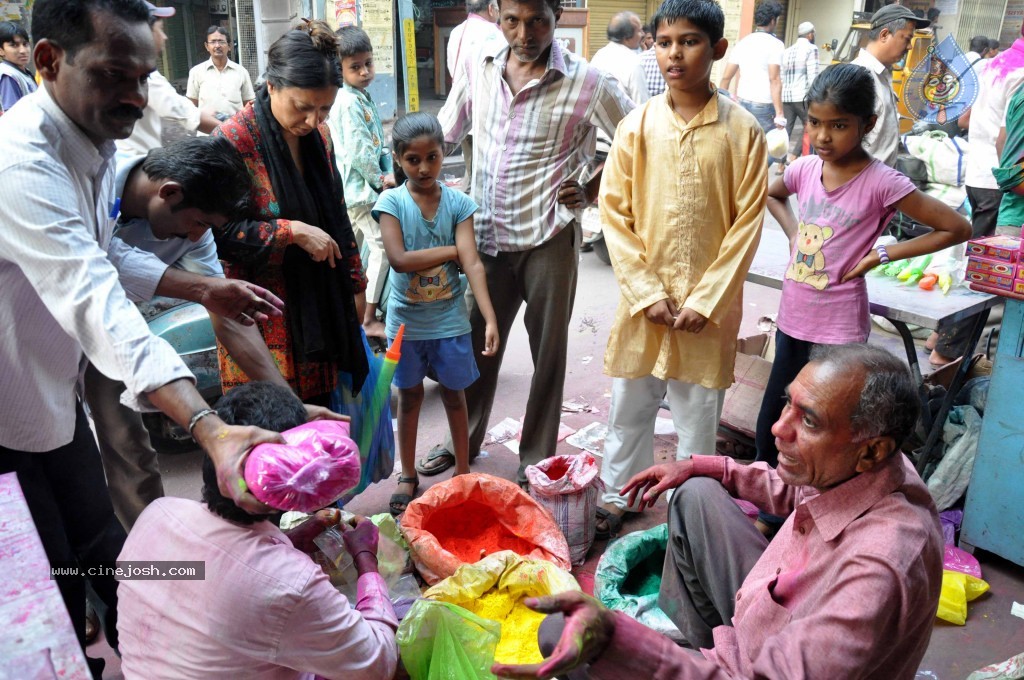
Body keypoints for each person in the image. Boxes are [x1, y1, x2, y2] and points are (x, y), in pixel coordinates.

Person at [0, 0, 284, 674]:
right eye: (114, 76)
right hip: (7, 406)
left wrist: (201, 288)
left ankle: (150, 651)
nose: (134, 96)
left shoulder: (100, 147)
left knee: (99, 539)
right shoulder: (22, 163)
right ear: (48, 61)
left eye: (144, 78)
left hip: (49, 396)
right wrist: (210, 428)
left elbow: (106, 258)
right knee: (47, 585)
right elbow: (92, 295)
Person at [494, 343, 944, 680]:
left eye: (809, 421)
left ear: (872, 451)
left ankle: (703, 661)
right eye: (788, 403)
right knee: (696, 493)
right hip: (768, 618)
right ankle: (703, 649)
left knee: (564, 637)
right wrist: (699, 465)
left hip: (765, 665)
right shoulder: (869, 465)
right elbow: (794, 494)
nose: (776, 428)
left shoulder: (878, 570)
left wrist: (619, 642)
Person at [752, 64, 970, 534]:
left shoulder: (882, 182)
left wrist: (883, 254)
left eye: (838, 125)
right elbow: (773, 195)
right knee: (773, 421)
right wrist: (794, 236)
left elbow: (957, 227)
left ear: (867, 124)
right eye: (814, 122)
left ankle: (818, 519)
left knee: (827, 435)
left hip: (838, 334)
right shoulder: (805, 168)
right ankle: (772, 513)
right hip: (793, 321)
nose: (823, 136)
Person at [87, 136, 343, 530]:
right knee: (59, 464)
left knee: (129, 450)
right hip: (37, 329)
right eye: (198, 223)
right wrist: (201, 288)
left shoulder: (196, 227)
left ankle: (152, 563)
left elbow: (227, 317)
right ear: (168, 193)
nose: (195, 237)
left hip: (115, 325)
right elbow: (97, 262)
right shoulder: (91, 180)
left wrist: (290, 406)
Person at [426, 0, 633, 485]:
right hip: (486, 237)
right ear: (497, 13)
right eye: (513, 21)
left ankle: (535, 457)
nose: (525, 34)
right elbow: (446, 133)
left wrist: (592, 187)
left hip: (549, 237)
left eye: (537, 20)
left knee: (549, 353)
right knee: (474, 343)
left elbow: (634, 138)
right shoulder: (481, 68)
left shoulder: (588, 81)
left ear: (557, 13)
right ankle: (464, 438)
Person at [593, 0, 767, 540]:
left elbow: (747, 225)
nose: (675, 53)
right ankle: (619, 495)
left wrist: (705, 300)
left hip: (704, 313)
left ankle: (693, 515)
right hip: (644, 305)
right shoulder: (636, 127)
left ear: (716, 50)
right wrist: (646, 292)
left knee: (698, 418)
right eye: (665, 42)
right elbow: (614, 214)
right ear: (653, 47)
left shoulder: (743, 132)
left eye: (689, 41)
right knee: (629, 409)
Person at [117, 381, 399, 679]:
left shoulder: (156, 516)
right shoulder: (290, 583)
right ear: (288, 475)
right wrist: (366, 559)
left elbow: (211, 576)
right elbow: (377, 663)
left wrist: (286, 542)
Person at [213, 20, 370, 405]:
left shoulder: (321, 137)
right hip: (263, 318)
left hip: (320, 302)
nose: (313, 122)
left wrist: (355, 281)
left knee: (324, 432)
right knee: (274, 432)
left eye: (325, 109)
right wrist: (291, 231)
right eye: (302, 108)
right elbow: (220, 233)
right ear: (271, 86)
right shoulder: (233, 141)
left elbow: (337, 214)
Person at [373, 113, 499, 514]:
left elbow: (474, 263)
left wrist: (490, 317)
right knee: (408, 399)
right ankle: (407, 473)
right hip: (405, 324)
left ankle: (461, 470)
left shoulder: (459, 204)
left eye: (432, 157)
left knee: (455, 397)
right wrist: (451, 252)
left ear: (444, 153)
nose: (424, 168)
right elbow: (399, 260)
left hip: (449, 322)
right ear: (397, 158)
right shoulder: (390, 202)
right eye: (413, 159)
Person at [931, 26, 1024, 364]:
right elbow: (1006, 142)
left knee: (974, 262)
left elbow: (966, 118)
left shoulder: (994, 63)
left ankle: (938, 336)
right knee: (984, 273)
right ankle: (946, 351)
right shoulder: (1021, 75)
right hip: (998, 180)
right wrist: (1012, 181)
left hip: (976, 171)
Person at [328, 26, 396, 343]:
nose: (365, 71)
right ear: (339, 68)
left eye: (368, 63)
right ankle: (368, 317)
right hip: (361, 191)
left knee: (352, 250)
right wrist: (381, 180)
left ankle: (348, 308)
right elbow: (360, 152)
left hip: (352, 191)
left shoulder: (356, 96)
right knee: (381, 247)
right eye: (355, 67)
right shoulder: (349, 101)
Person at [117, 2, 219, 157]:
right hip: (136, 160)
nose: (165, 37)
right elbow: (182, 111)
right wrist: (235, 132)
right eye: (161, 30)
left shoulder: (128, 67)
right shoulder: (144, 74)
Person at [851, 5, 930, 167]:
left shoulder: (883, 74)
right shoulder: (859, 77)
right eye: (907, 39)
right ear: (885, 35)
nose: (909, 47)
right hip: (863, 184)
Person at [446, 0, 505, 190]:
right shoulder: (495, 34)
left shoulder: (456, 31)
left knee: (471, 165)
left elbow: (452, 68)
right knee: (483, 175)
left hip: (460, 108)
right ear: (490, 9)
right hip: (486, 116)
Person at [719, 0, 786, 158]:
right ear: (772, 21)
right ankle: (756, 179)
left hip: (741, 102)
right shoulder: (775, 45)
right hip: (764, 105)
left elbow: (726, 77)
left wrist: (723, 101)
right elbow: (774, 79)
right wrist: (780, 114)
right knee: (768, 150)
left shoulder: (744, 42)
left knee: (742, 146)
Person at [186, 25, 255, 119]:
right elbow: (191, 105)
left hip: (234, 131)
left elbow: (248, 105)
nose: (217, 45)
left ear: (229, 46)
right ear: (207, 46)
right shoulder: (196, 72)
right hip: (207, 132)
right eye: (213, 42)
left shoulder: (241, 72)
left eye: (221, 42)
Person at [780, 21, 818, 170]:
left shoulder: (788, 50)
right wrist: (815, 98)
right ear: (810, 34)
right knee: (810, 126)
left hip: (786, 97)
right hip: (802, 96)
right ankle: (797, 157)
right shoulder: (811, 49)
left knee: (786, 131)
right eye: (813, 33)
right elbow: (813, 76)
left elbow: (782, 75)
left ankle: (781, 165)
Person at [590, 11, 651, 105]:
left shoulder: (598, 56)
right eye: (639, 31)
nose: (643, 34)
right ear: (627, 38)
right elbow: (642, 106)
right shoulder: (634, 62)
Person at [0, 20, 35, 115]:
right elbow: (13, 115)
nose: (23, 50)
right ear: (1, 51)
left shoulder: (23, 72)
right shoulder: (8, 75)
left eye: (25, 44)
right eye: (14, 45)